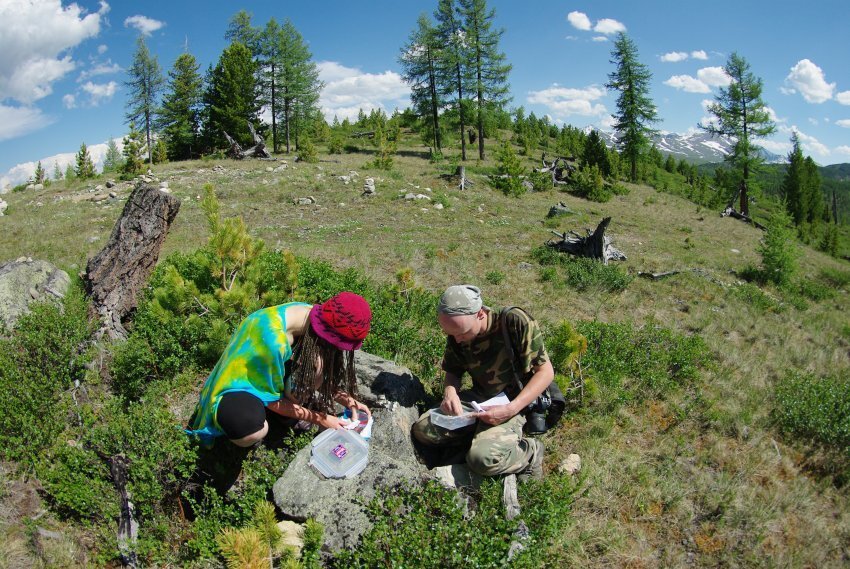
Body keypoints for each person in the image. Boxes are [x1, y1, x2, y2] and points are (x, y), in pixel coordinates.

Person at [187, 292, 372, 448]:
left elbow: (312, 366)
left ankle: (288, 415)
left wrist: (346, 399)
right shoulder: (274, 342)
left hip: (266, 371)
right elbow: (273, 402)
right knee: (249, 427)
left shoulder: (308, 313)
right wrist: (322, 419)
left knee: (317, 365)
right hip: (237, 387)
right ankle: (263, 425)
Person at [412, 285, 554, 480]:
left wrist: (511, 409)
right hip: (479, 401)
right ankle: (480, 436)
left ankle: (530, 453)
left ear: (480, 314)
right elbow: (453, 371)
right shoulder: (457, 333)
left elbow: (545, 372)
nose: (458, 339)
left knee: (483, 461)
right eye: (451, 334)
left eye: (462, 332)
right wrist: (450, 392)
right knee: (423, 429)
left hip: (514, 402)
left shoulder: (513, 321)